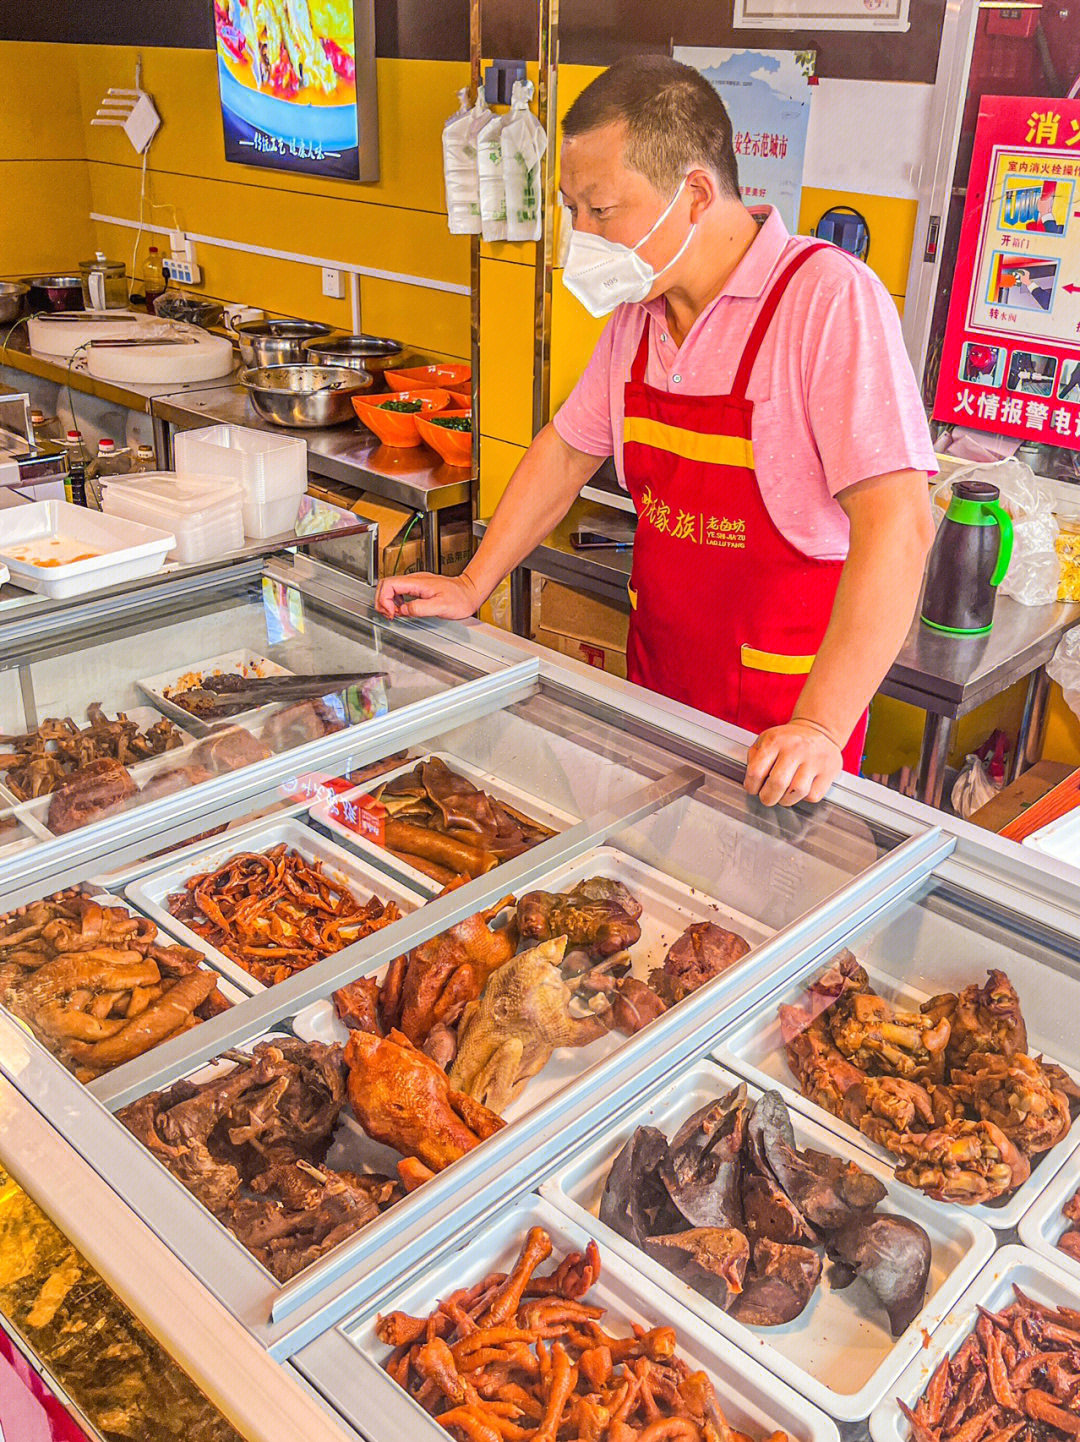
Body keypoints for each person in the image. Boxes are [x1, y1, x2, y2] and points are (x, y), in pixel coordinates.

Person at [377, 56, 936, 807]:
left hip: (788, 730)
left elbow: (898, 524)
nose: (582, 235)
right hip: (660, 694)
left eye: (602, 211)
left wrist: (821, 727)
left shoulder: (827, 300)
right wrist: (473, 582)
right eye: (572, 209)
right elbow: (567, 449)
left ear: (696, 193)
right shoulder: (641, 314)